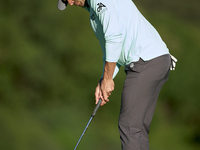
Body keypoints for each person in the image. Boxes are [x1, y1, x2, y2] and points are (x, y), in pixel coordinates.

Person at [57, 0, 177, 149]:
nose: (70, 2)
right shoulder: (94, 15)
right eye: (66, 1)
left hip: (146, 61)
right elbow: (113, 53)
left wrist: (107, 79)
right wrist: (104, 81)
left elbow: (113, 37)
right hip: (156, 61)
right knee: (137, 130)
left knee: (129, 126)